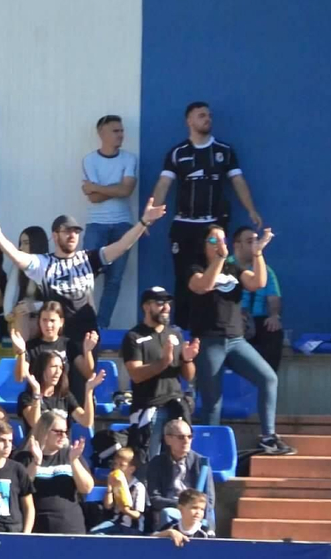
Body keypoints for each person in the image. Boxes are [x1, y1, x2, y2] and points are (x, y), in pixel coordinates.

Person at [0, 205, 164, 363]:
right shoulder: (43, 263)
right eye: (67, 231)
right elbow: (18, 256)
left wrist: (143, 222)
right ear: (55, 234)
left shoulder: (88, 258)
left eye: (76, 231)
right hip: (56, 337)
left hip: (86, 335)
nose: (72, 235)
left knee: (83, 388)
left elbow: (122, 245)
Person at [149, 102, 264, 329]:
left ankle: (212, 325)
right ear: (189, 121)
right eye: (201, 115)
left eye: (209, 116)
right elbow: (164, 184)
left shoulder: (224, 151)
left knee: (217, 275)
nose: (207, 119)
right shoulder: (177, 153)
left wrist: (251, 209)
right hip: (184, 225)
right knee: (185, 278)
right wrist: (150, 215)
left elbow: (238, 181)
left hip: (214, 227)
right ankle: (182, 328)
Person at [188, 224, 296, 454]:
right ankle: (209, 450)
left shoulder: (234, 270)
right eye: (214, 241)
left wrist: (257, 253)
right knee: (212, 402)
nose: (220, 245)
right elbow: (204, 285)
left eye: (222, 240)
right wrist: (219, 259)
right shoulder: (195, 268)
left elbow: (258, 282)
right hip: (210, 340)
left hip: (236, 340)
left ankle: (268, 436)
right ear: (204, 245)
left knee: (268, 378)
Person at [120, 286, 199, 460]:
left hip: (176, 406)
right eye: (160, 303)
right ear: (146, 307)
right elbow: (136, 374)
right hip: (150, 407)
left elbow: (188, 376)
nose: (166, 308)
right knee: (149, 459)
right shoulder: (134, 337)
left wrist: (187, 359)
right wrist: (163, 362)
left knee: (178, 460)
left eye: (168, 303)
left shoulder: (175, 334)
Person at [79, 114, 138, 327]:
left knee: (114, 280)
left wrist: (98, 187)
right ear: (101, 133)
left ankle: (101, 326)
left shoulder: (130, 159)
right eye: (115, 131)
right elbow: (94, 199)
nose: (120, 135)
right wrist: (117, 188)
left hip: (123, 225)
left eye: (121, 131)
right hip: (96, 225)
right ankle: (85, 324)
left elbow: (127, 190)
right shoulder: (90, 160)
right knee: (85, 277)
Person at [14, 409, 94, 534]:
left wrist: (74, 461)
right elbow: (19, 488)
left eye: (65, 432)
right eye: (58, 432)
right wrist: (36, 462)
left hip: (70, 526)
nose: (63, 436)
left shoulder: (70, 455)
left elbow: (86, 488)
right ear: (44, 431)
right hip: (37, 526)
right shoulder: (24, 458)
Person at [232, 225, 284, 372]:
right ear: (237, 245)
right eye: (249, 241)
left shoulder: (266, 271)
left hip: (257, 319)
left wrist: (274, 315)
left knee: (274, 332)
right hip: (231, 319)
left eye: (256, 241)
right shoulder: (225, 267)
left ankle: (268, 378)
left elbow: (274, 299)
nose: (255, 245)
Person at [143, 418, 209, 530]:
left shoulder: (201, 462)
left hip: (195, 510)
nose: (186, 441)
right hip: (171, 508)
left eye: (190, 436)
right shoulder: (157, 463)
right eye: (181, 437)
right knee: (167, 513)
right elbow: (155, 498)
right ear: (168, 439)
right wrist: (181, 505)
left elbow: (209, 497)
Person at [18, 351, 100, 434]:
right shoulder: (27, 397)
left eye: (60, 368)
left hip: (61, 445)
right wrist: (36, 393)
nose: (58, 372)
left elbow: (86, 422)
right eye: (53, 367)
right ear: (42, 369)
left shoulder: (65, 396)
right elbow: (35, 423)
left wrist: (89, 391)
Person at [1, 225, 50, 341]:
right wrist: (8, 313)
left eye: (26, 243)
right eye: (20, 243)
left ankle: (22, 354)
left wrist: (34, 306)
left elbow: (57, 302)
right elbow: (11, 291)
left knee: (23, 313)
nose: (21, 247)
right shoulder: (18, 266)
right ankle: (22, 354)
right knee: (21, 311)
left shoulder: (49, 265)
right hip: (21, 315)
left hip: (44, 316)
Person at [94, 442, 146, 535]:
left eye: (121, 465)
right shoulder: (116, 483)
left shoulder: (138, 487)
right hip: (116, 522)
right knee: (96, 534)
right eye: (115, 464)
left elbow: (138, 515)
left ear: (131, 469)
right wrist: (109, 486)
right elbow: (108, 506)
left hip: (132, 527)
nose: (116, 468)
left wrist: (125, 510)